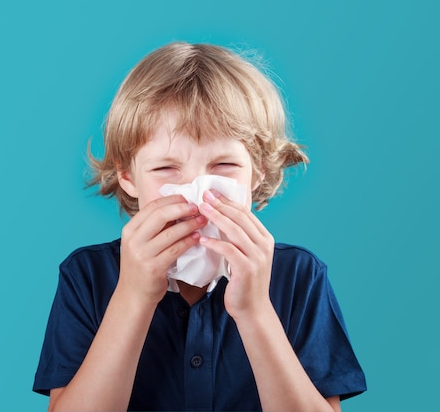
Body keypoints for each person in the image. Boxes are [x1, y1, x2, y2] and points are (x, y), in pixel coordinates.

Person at [33, 42, 366, 411]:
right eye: (165, 169)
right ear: (127, 175)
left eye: (224, 165)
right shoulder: (88, 277)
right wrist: (134, 295)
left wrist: (255, 310)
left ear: (257, 172)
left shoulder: (299, 277)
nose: (197, 194)